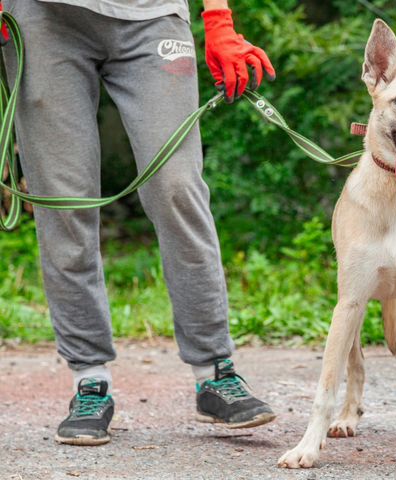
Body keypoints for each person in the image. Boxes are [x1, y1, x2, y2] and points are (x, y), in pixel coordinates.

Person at [1, 0, 277, 446]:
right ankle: (89, 381)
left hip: (152, 17)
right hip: (42, 18)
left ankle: (214, 373)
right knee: (64, 201)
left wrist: (219, 20)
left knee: (177, 187)